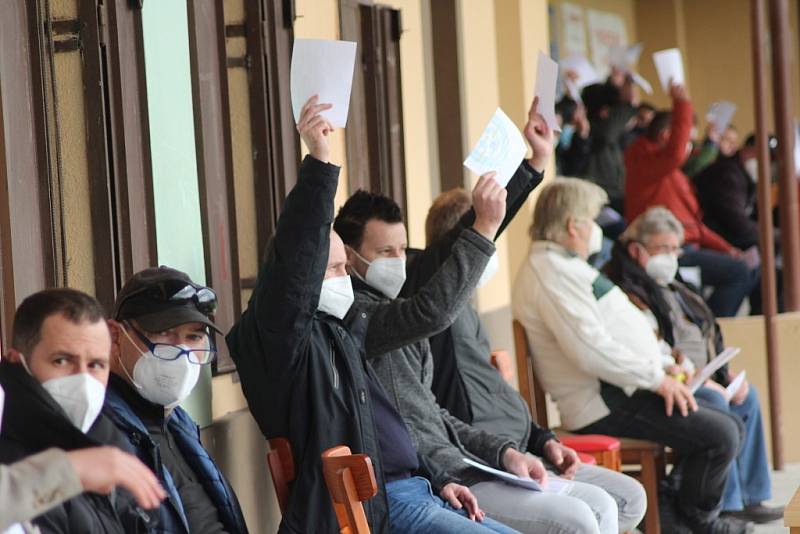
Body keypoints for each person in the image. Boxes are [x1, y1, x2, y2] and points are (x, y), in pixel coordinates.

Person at [336, 98, 638, 534]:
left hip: (478, 461)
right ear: (349, 257)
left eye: (403, 250)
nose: (399, 261)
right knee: (580, 520)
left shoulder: (402, 292)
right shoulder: (365, 316)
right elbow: (440, 289)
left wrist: (531, 165)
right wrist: (482, 225)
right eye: (385, 252)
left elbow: (434, 414)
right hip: (442, 479)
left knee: (614, 505)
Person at [227, 96, 518, 534]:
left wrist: (438, 479)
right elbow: (295, 260)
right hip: (384, 507)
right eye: (336, 269)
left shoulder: (340, 334)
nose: (347, 280)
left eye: (345, 266)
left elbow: (380, 428)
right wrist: (320, 162)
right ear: (301, 280)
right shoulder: (283, 339)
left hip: (419, 489)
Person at [512, 178, 752, 534]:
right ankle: (700, 522)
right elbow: (590, 349)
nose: (597, 230)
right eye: (592, 220)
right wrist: (657, 379)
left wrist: (664, 364)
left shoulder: (563, 264)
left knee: (725, 421)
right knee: (721, 434)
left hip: (625, 387)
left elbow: (615, 330)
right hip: (605, 401)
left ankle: (673, 515)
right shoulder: (548, 272)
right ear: (572, 224)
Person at [408, 185, 647, 533]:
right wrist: (531, 167)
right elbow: (446, 427)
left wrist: (543, 440)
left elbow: (502, 401)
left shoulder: (468, 311)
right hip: (486, 466)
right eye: (487, 234)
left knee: (630, 499)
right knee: (587, 515)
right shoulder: (429, 310)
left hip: (524, 454)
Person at [605, 206, 783, 525]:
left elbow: (704, 327)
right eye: (664, 249)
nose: (672, 256)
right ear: (636, 249)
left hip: (698, 375)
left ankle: (750, 497)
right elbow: (652, 348)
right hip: (663, 383)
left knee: (748, 396)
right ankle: (721, 506)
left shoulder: (670, 283)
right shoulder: (625, 289)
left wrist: (724, 374)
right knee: (716, 402)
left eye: (676, 248)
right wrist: (695, 377)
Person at [0, 288, 166, 533]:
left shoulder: (110, 445)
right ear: (17, 361)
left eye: (96, 365)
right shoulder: (11, 458)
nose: (83, 379)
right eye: (62, 361)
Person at [104, 266, 248, 534]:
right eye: (164, 333)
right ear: (115, 337)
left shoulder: (178, 421)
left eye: (193, 336)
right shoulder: (101, 432)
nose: (181, 351)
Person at [624, 83, 756, 317]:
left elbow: (693, 225)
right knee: (737, 273)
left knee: (750, 267)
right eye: (688, 141)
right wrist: (682, 103)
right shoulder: (644, 163)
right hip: (667, 251)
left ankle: (704, 324)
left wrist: (728, 249)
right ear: (667, 136)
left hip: (685, 246)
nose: (690, 148)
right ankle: (708, 326)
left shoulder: (670, 174)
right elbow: (674, 153)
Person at [580, 78, 638, 213]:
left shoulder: (608, 134)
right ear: (605, 111)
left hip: (610, 195)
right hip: (600, 198)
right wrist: (630, 105)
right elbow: (609, 131)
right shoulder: (598, 131)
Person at [554, 96, 591, 177]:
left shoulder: (571, 134)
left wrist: (582, 136)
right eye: (581, 111)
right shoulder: (557, 119)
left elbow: (572, 167)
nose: (584, 113)